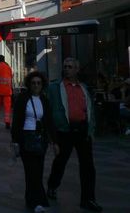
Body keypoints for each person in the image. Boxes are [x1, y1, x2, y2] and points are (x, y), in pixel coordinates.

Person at [46, 58, 102, 212]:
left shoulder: (83, 88)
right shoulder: (55, 88)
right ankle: (52, 185)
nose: (67, 69)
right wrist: (51, 134)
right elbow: (48, 109)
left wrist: (91, 130)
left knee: (88, 166)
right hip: (65, 130)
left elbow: (89, 109)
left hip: (82, 130)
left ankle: (88, 199)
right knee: (60, 161)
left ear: (77, 69)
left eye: (70, 67)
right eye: (65, 66)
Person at [11, 71, 56, 213]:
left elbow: (49, 121)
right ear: (29, 84)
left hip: (40, 139)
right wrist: (15, 141)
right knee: (31, 171)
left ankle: (32, 199)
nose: (36, 85)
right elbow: (16, 120)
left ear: (42, 85)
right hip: (26, 138)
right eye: (33, 83)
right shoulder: (22, 99)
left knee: (39, 170)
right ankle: (37, 202)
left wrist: (54, 141)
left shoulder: (44, 100)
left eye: (39, 83)